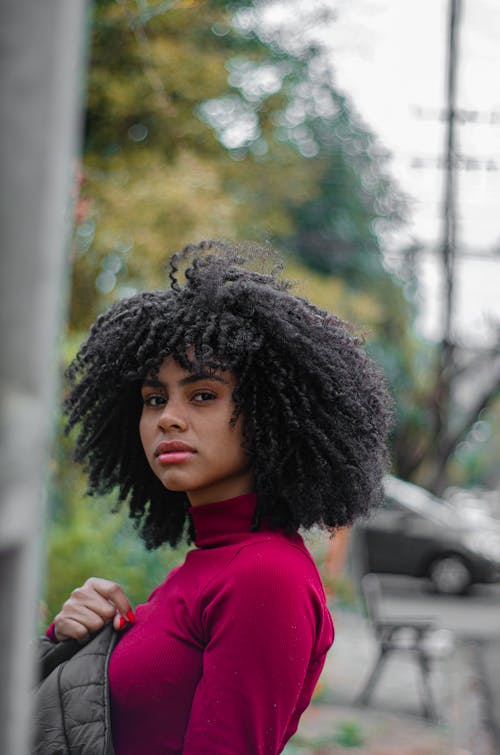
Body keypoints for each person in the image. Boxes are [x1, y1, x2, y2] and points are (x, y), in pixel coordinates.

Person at [40, 240, 393, 754]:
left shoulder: (265, 573)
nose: (168, 417)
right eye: (154, 398)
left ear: (268, 414)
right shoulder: (205, 565)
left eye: (203, 394)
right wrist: (74, 638)